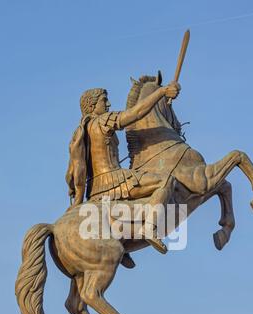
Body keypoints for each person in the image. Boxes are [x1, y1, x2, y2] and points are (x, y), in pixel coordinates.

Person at [66, 81, 180, 258]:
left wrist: (78, 200)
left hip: (95, 191)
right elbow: (134, 114)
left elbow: (78, 171)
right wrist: (161, 92)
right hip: (115, 180)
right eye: (104, 100)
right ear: (92, 105)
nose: (108, 104)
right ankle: (150, 227)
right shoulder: (103, 121)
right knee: (167, 180)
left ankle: (122, 243)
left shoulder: (80, 131)